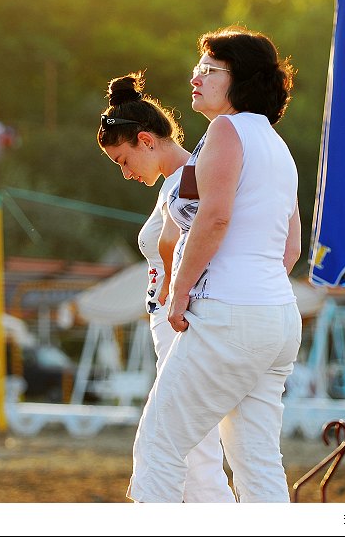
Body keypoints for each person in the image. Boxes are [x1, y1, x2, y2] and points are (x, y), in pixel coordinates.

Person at [126, 25, 302, 503]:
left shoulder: (226, 130)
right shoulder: (278, 147)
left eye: (209, 69)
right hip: (277, 317)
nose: (195, 77)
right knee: (259, 462)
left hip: (229, 313)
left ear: (239, 79)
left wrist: (179, 291)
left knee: (159, 447)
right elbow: (291, 248)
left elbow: (215, 217)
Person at [97, 71, 235, 502]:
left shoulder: (189, 181)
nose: (126, 174)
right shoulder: (180, 182)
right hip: (174, 323)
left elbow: (210, 239)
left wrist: (174, 296)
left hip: (182, 322)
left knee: (188, 444)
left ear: (146, 140)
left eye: (123, 160)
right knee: (193, 445)